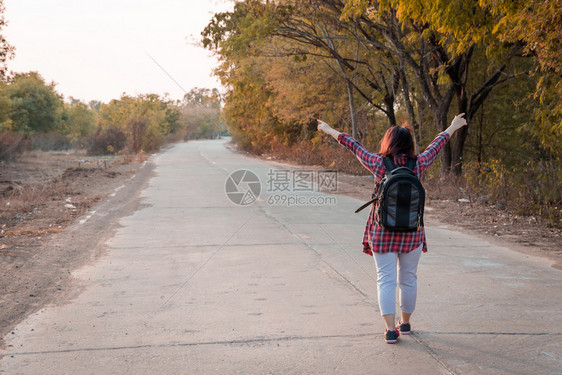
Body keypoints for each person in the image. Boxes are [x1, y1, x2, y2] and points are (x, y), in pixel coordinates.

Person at [317, 114, 467, 344]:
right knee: (408, 279)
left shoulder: (378, 163)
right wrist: (452, 127)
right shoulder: (418, 164)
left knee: (385, 280)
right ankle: (405, 324)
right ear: (409, 145)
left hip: (382, 232)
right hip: (411, 233)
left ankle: (389, 330)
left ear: (388, 143)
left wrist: (329, 130)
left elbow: (353, 145)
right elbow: (436, 146)